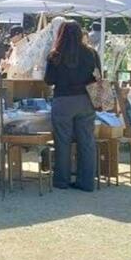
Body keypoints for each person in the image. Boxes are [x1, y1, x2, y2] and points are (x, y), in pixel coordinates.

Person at [45, 20, 99, 191]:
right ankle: (86, 182)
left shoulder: (55, 55)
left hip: (63, 101)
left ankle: (62, 181)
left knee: (62, 142)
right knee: (87, 142)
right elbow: (98, 77)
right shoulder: (91, 53)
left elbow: (49, 80)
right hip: (86, 100)